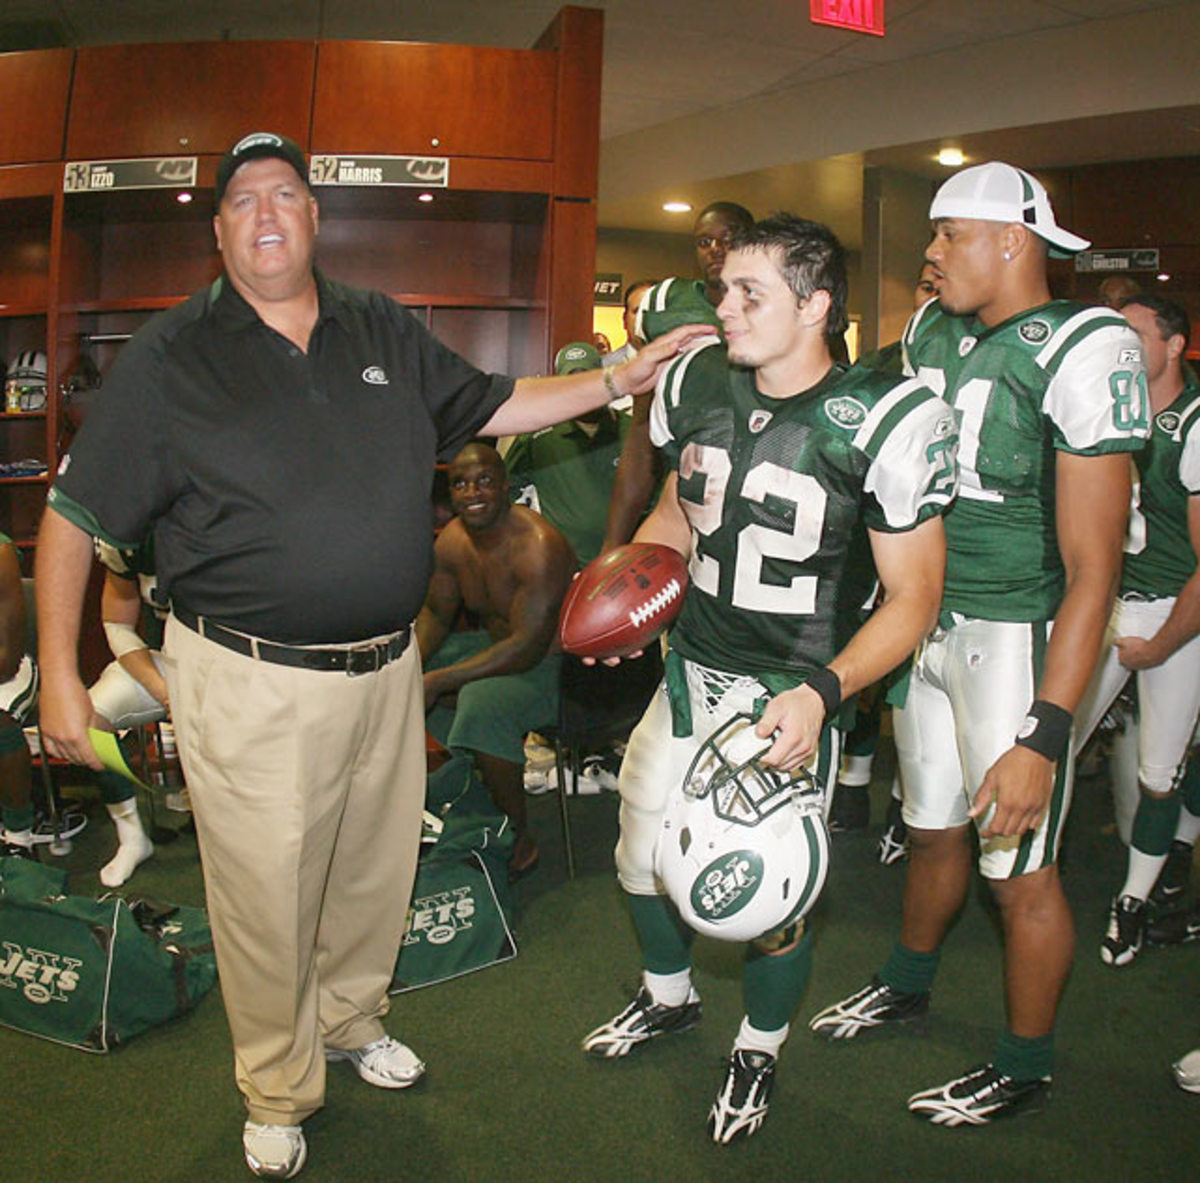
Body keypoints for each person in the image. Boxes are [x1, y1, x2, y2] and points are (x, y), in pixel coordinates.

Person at [33, 130, 710, 1180]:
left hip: (386, 669)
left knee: (372, 870)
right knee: (265, 897)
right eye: (243, 199)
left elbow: (496, 401)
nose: (266, 213)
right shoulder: (172, 355)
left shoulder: (377, 323)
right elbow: (72, 517)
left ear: (314, 216)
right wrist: (61, 677)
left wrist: (620, 377)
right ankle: (276, 1085)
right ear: (219, 230)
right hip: (247, 676)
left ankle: (351, 1021)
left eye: (285, 194)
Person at [581, 213, 956, 1145]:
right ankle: (669, 993)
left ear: (817, 304)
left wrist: (825, 693)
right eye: (724, 289)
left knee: (765, 892)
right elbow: (680, 511)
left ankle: (759, 1045)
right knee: (639, 852)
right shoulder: (695, 379)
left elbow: (914, 596)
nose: (726, 307)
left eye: (751, 292)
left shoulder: (884, 415)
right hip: (691, 666)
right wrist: (639, 595)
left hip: (789, 690)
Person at [810, 161, 1149, 1126]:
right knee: (930, 826)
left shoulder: (1084, 345)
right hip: (930, 623)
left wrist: (1047, 729)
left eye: (948, 233)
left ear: (1012, 240)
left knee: (1022, 874)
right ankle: (908, 980)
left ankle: (1025, 1062)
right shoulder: (931, 330)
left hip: (1016, 634)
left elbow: (1094, 571)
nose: (931, 252)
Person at [1069, 295, 1200, 965]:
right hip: (1112, 597)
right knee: (1054, 737)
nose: (1121, 345)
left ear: (1174, 346)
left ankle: (1135, 899)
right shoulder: (1108, 406)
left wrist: (1162, 642)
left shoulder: (1193, 426)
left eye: (1136, 334)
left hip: (1176, 607)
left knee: (1158, 771)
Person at [418, 442, 576, 875]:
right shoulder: (453, 542)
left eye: (484, 481)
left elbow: (526, 646)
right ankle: (480, 791)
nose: (472, 493)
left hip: (556, 670)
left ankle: (517, 839)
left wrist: (438, 682)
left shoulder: (538, 545)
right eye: (460, 484)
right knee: (410, 671)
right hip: (502, 651)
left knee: (481, 704)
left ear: (506, 486)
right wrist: (409, 668)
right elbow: (436, 614)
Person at [828, 259, 942, 849]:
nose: (932, 296)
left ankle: (907, 799)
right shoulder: (878, 366)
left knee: (924, 692)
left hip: (957, 545)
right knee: (873, 663)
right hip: (877, 536)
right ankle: (855, 781)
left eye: (938, 286)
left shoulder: (986, 359)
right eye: (923, 286)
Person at [601, 204, 754, 552]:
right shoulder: (664, 303)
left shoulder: (784, 306)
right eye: (705, 242)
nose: (716, 250)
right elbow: (641, 432)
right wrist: (611, 546)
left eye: (729, 239)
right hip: (683, 473)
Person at [86, 537, 167, 887]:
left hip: (232, 666)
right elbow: (118, 624)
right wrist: (162, 689)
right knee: (90, 723)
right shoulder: (130, 538)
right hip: (167, 662)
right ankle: (132, 835)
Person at [506, 342, 629, 566]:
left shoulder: (632, 430)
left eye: (587, 379)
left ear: (603, 379)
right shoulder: (537, 435)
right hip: (560, 569)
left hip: (626, 567)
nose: (582, 391)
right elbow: (507, 490)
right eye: (572, 382)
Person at [0, 534, 39, 859]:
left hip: (10, 668)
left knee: (0, 720)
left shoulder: (1, 552)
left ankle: (18, 837)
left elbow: (7, 659)